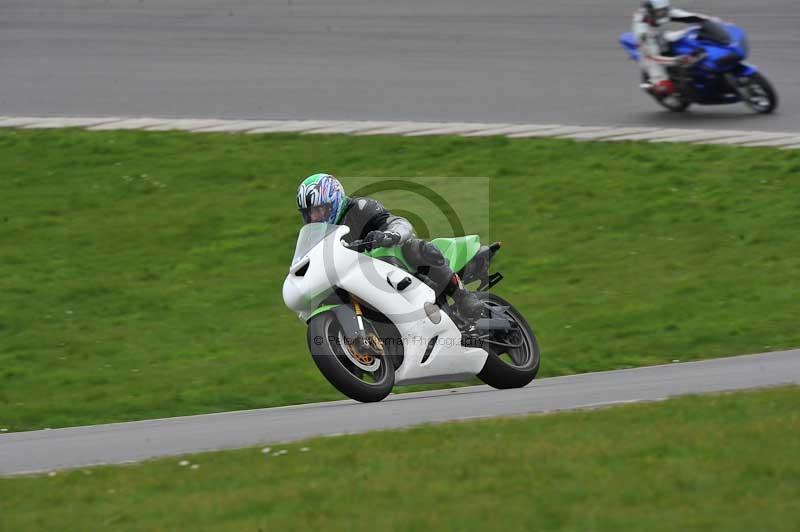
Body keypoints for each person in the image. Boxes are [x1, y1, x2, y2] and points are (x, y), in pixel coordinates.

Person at [296, 173, 484, 322]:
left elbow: (398, 222)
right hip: (358, 279)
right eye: (309, 213)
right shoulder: (318, 237)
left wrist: (389, 234)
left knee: (414, 247)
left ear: (334, 200)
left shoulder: (360, 207)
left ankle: (462, 297)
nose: (315, 218)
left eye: (319, 210)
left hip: (389, 264)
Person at [633, 0, 711, 96]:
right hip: (649, 46)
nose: (663, 14)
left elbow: (685, 15)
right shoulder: (642, 33)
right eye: (660, 12)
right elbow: (652, 57)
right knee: (664, 87)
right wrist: (676, 60)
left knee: (690, 35)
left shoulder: (659, 10)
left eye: (664, 11)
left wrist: (708, 19)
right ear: (650, 12)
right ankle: (653, 85)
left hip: (660, 35)